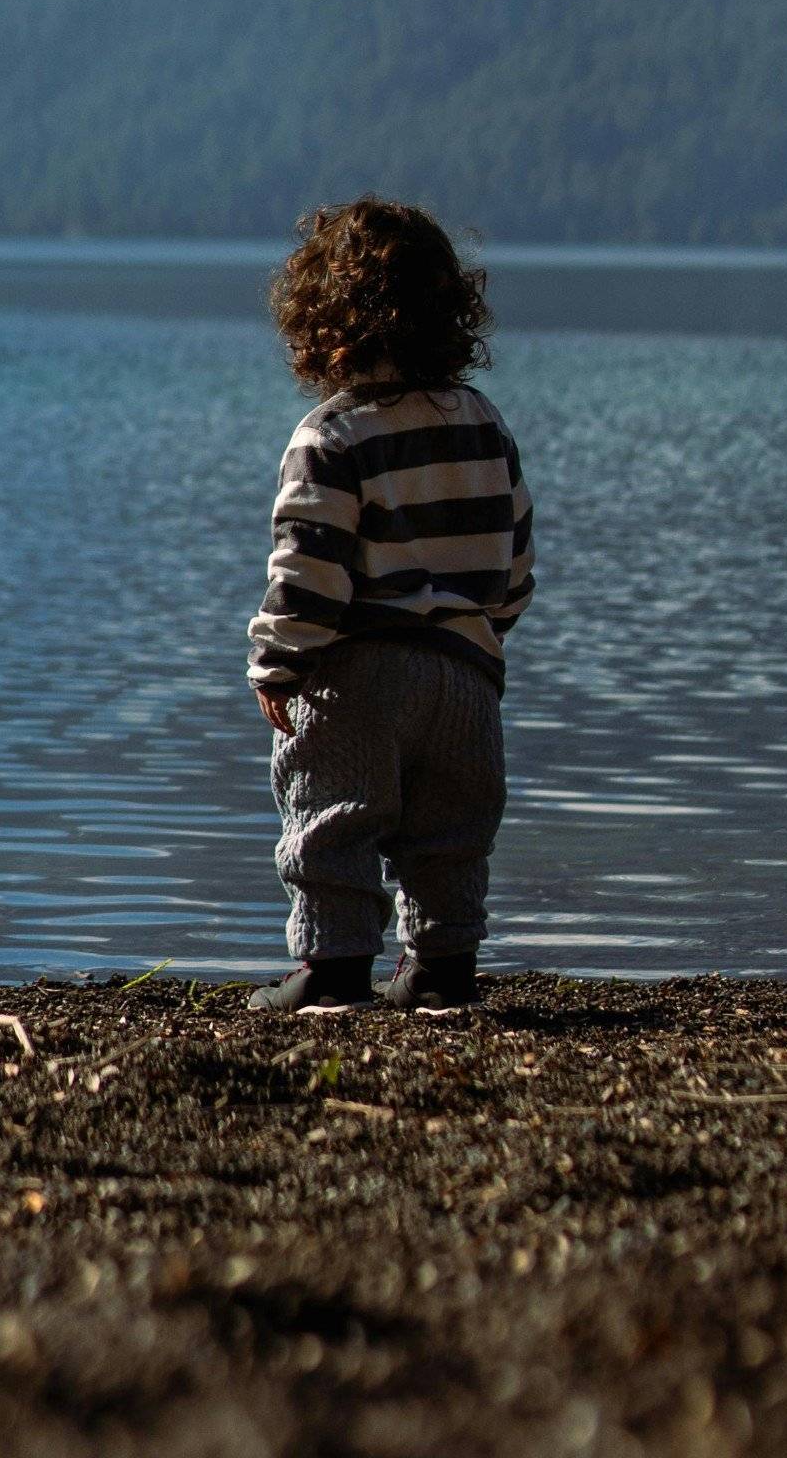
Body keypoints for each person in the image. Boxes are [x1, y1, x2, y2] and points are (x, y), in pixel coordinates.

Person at [245, 198, 535, 1014]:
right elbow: (514, 559)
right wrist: (476, 635)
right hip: (466, 678)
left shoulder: (331, 437)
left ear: (320, 322)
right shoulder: (484, 426)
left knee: (334, 816)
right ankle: (443, 967)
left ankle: (333, 966)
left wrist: (278, 661)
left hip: (359, 675)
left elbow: (309, 570)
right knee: (450, 832)